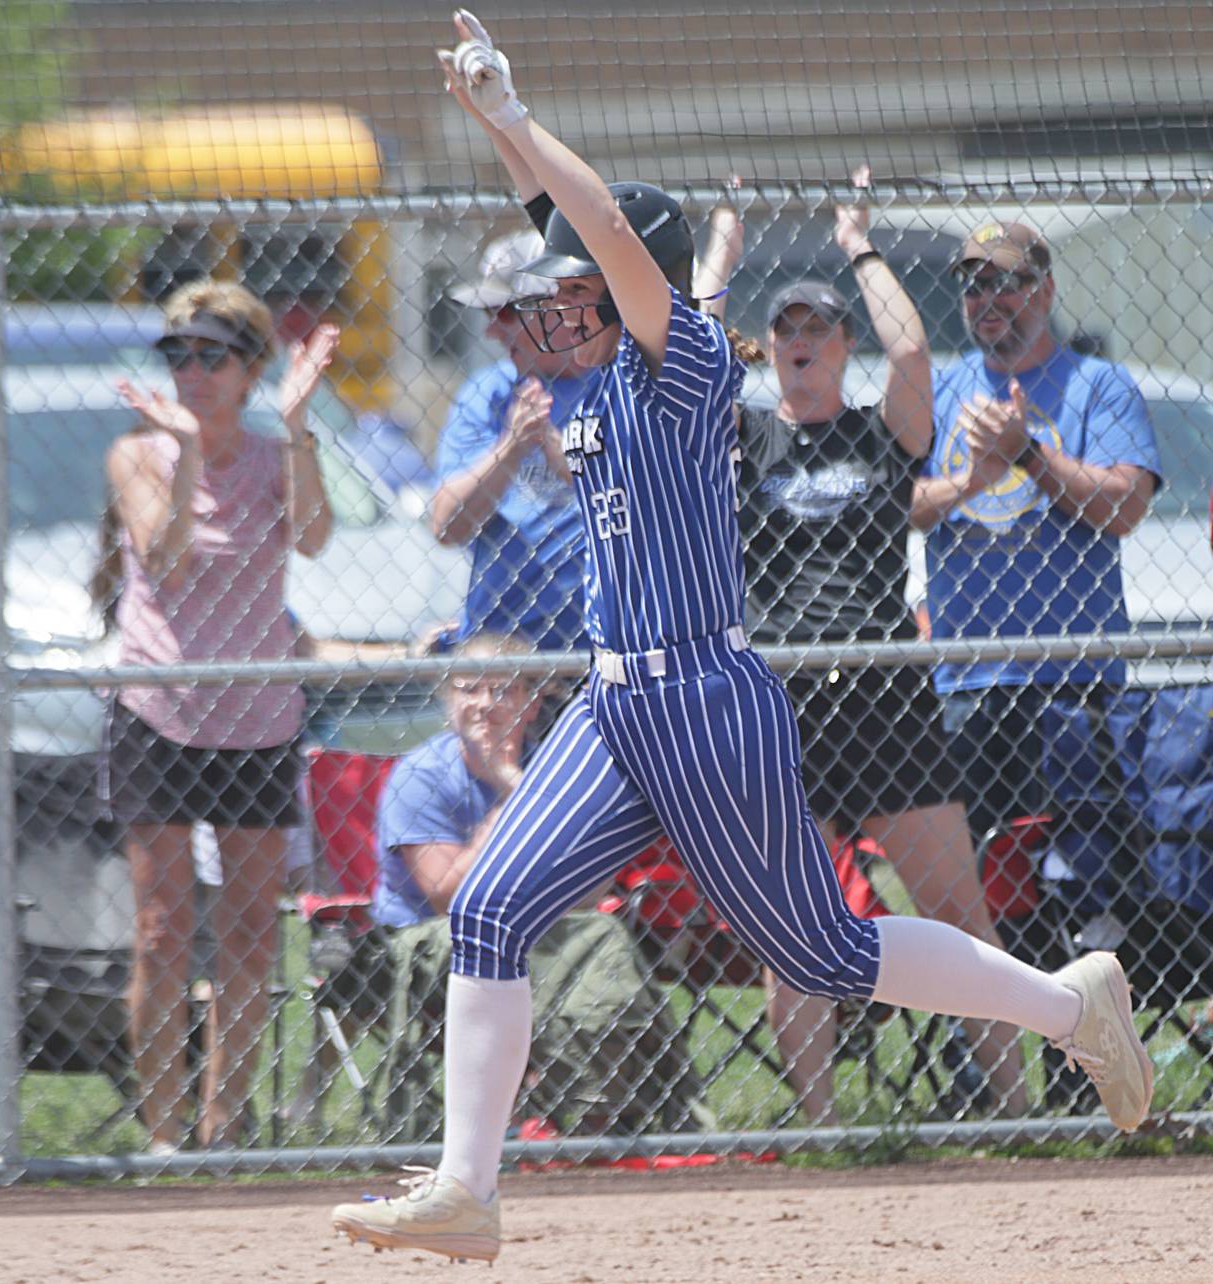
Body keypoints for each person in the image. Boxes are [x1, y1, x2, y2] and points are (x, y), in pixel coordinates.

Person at [332, 13, 1154, 1264]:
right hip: (613, 708)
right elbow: (576, 232)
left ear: (629, 285)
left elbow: (603, 230)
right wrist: (512, 146)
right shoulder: (595, 374)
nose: (549, 309)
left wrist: (511, 113)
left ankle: (1068, 1003)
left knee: (819, 947)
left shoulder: (685, 360)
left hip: (708, 700)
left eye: (571, 290)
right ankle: (467, 1189)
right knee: (490, 908)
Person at [693, 172, 1026, 1121]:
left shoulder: (884, 437)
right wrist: (726, 240)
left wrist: (857, 243)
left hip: (883, 692)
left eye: (820, 328)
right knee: (795, 926)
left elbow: (913, 345)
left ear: (843, 346)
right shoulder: (744, 435)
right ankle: (822, 1122)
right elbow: (691, 343)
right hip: (782, 701)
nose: (801, 339)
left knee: (956, 908)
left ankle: (1016, 1107)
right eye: (788, 327)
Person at [98, 277, 337, 1151]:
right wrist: (187, 451)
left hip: (259, 717)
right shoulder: (138, 454)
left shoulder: (277, 457)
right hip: (159, 708)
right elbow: (164, 560)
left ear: (249, 369)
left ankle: (222, 1124)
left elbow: (312, 535)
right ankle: (165, 1133)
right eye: (179, 355)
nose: (193, 371)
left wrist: (301, 423)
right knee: (162, 932)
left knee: (246, 931)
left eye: (213, 356)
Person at [370, 630, 704, 1137]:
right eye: (468, 689)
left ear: (530, 701)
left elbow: (589, 888)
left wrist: (522, 786)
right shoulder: (421, 776)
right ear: (447, 701)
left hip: (546, 934)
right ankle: (584, 1112)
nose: (484, 704)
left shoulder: (562, 767)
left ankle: (597, 1121)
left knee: (598, 938)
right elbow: (449, 896)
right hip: (428, 942)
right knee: (583, 945)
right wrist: (515, 799)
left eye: (503, 690)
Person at [909, 224, 1163, 843]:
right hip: (965, 678)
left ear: (1045, 291)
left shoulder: (1098, 385)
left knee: (1082, 871)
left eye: (1004, 282)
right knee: (977, 872)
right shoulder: (941, 388)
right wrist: (974, 479)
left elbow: (1124, 507)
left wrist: (1027, 452)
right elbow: (904, 507)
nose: (985, 298)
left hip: (1072, 677)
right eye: (972, 286)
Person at [429, 227, 591, 653]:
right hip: (505, 653)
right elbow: (446, 525)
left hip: (606, 649)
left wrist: (556, 447)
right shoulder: (488, 393)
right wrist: (511, 446)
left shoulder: (620, 385)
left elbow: (639, 501)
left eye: (503, 313)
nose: (491, 332)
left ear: (555, 306)